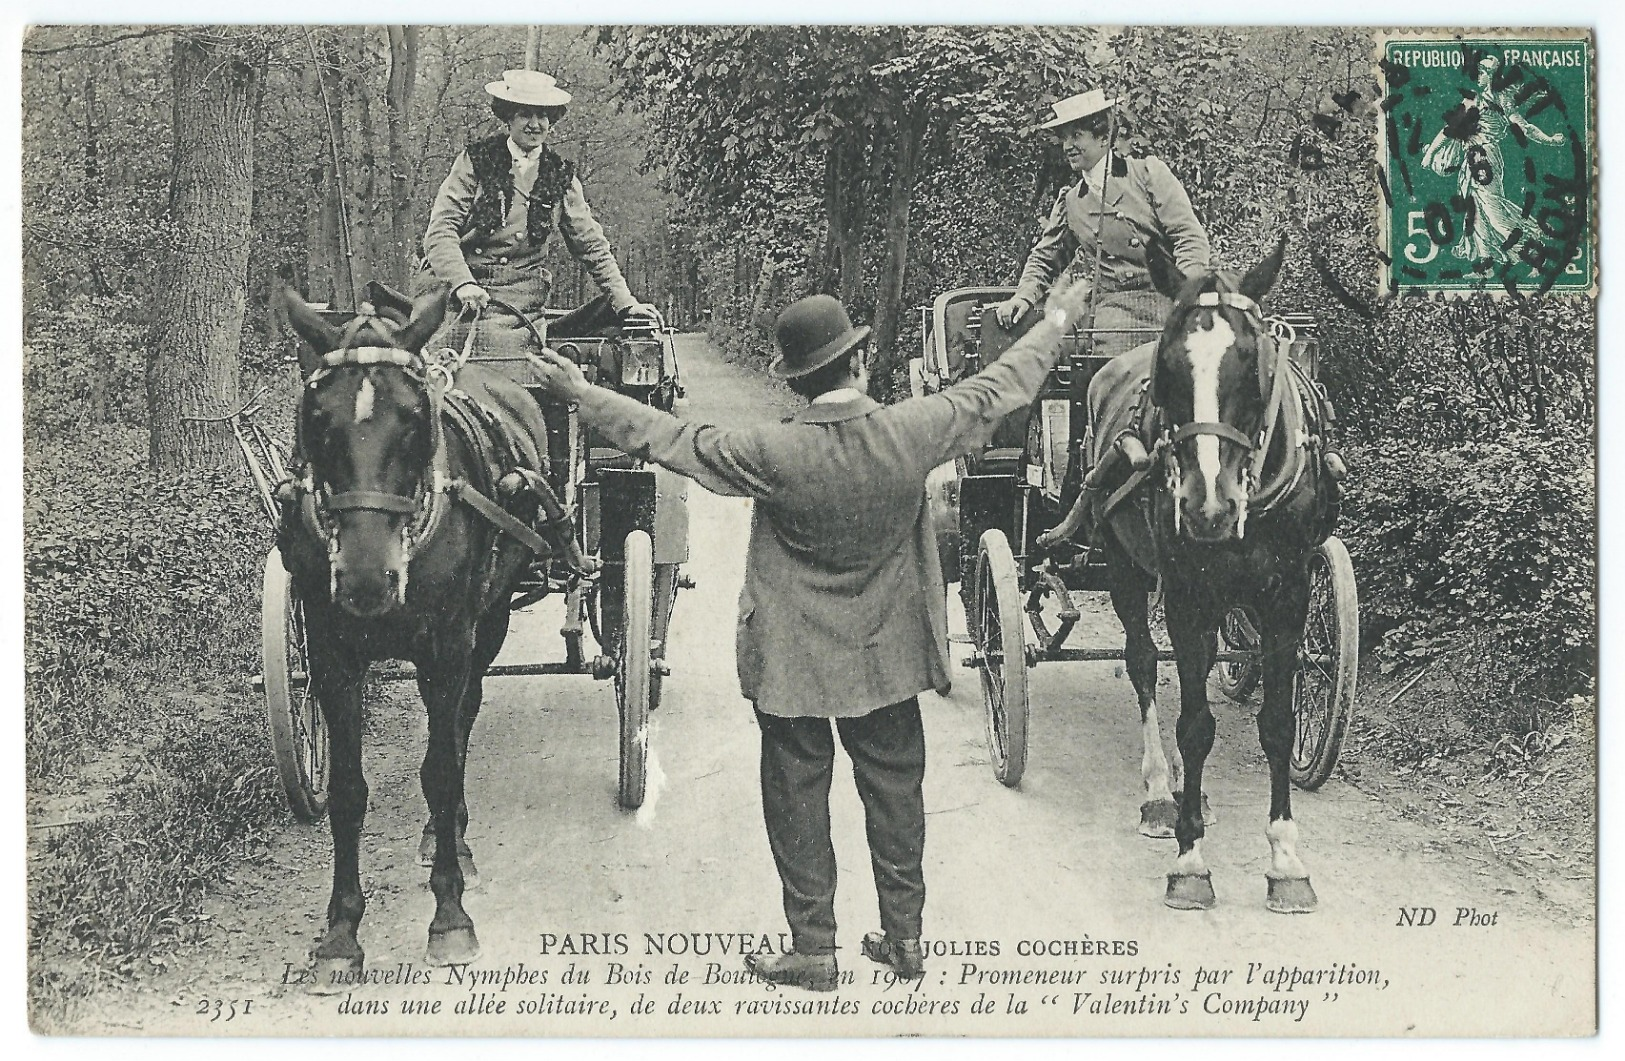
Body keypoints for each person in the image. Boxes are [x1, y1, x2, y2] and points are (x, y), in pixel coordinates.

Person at [525, 278, 1096, 991]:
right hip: (887, 654)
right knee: (895, 790)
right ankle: (906, 936)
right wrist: (1057, 318)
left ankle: (814, 949)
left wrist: (580, 392)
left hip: (791, 659)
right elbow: (1000, 387)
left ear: (796, 380)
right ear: (858, 362)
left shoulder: (769, 451)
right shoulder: (912, 429)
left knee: (795, 792)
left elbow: (669, 438)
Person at [416, 69, 657, 355]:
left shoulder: (559, 175)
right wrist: (463, 282)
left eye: (542, 116)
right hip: (454, 289)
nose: (535, 124)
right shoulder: (475, 161)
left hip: (518, 298)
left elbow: (591, 246)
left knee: (511, 362)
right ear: (508, 118)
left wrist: (626, 303)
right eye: (525, 115)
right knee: (433, 364)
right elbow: (441, 231)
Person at [993, 89, 1212, 357]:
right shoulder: (1071, 201)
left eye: (1076, 136)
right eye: (1064, 138)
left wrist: (1186, 290)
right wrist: (1023, 296)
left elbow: (1188, 236)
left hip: (1167, 300)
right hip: (1114, 312)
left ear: (1103, 137)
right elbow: (1045, 258)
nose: (1067, 146)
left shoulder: (1147, 174)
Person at [1420, 55, 1567, 265]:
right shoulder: (1473, 100)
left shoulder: (1499, 102)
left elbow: (1524, 128)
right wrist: (1429, 154)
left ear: (1491, 77)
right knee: (1475, 211)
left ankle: (1534, 251)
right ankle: (1485, 261)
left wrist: (1550, 140)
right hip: (1473, 159)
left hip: (1485, 159)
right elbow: (1449, 130)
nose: (1478, 77)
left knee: (1493, 211)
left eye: (1482, 73)